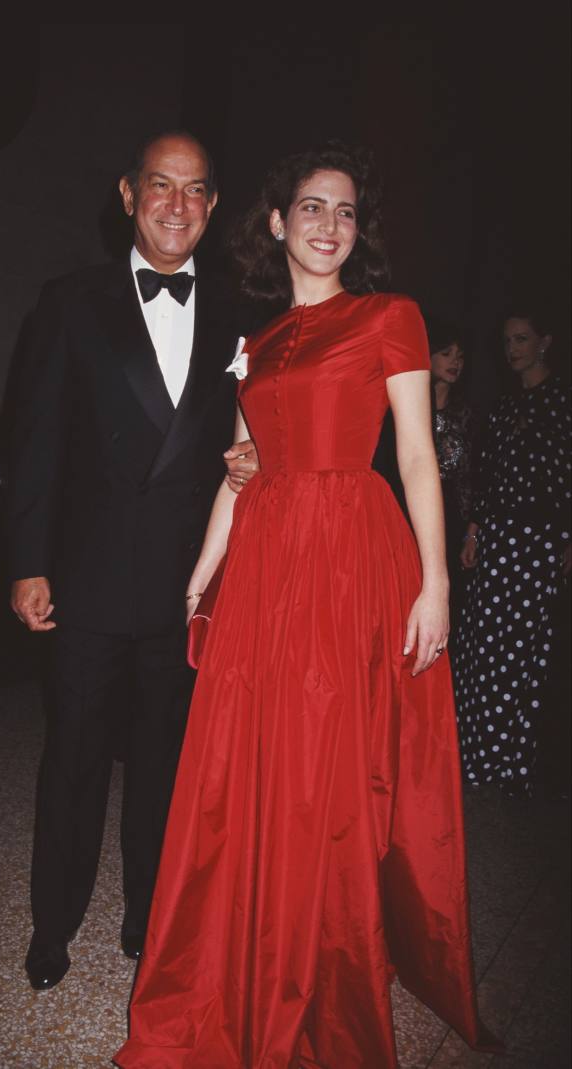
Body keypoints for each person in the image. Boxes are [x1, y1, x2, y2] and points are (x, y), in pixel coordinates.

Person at [115, 142, 499, 1068]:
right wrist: (204, 570)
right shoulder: (259, 343)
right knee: (251, 766)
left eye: (348, 212)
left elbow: (415, 456)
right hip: (268, 564)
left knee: (331, 767)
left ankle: (326, 961)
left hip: (350, 554)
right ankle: (246, 946)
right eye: (313, 208)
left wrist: (436, 581)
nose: (331, 225)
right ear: (279, 223)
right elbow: (241, 474)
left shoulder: (389, 317)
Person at [4, 131, 257, 990]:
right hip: (87, 578)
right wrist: (28, 560)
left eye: (194, 190)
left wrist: (257, 458)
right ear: (127, 194)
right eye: (160, 185)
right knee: (71, 758)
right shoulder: (70, 302)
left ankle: (149, 914)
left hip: (186, 587)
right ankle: (54, 920)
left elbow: (256, 432)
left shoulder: (236, 312)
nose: (176, 204)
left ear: (213, 206)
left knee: (164, 767)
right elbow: (33, 441)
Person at [455, 308, 570, 796]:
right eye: (507, 341)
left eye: (521, 339)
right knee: (482, 648)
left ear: (544, 342)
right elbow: (487, 474)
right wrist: (474, 532)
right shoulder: (502, 406)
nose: (513, 348)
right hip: (498, 540)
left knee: (524, 655)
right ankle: (477, 762)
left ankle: (515, 769)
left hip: (541, 541)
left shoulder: (562, 400)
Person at [427, 317, 477, 627]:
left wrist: (472, 530)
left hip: (454, 519)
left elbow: (475, 475)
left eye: (460, 356)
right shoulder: (407, 407)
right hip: (412, 511)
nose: (455, 362)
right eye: (447, 353)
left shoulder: (469, 412)